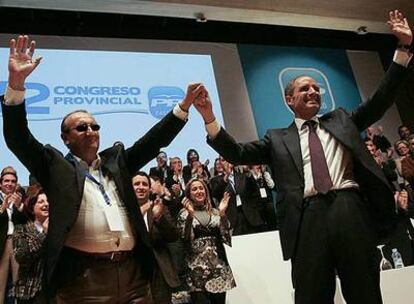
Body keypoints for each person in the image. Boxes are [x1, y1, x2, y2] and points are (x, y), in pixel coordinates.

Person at [193, 10, 413, 304]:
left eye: (315, 87)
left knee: (365, 294)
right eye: (304, 88)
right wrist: (209, 117)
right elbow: (237, 153)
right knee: (311, 296)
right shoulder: (277, 138)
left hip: (351, 211)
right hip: (306, 219)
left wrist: (402, 49)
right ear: (289, 99)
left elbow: (380, 100)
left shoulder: (342, 119)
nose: (313, 91)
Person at [1, 35, 205, 303]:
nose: (90, 131)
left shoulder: (116, 162)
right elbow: (18, 138)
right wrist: (16, 84)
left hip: (134, 275)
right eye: (81, 127)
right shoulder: (55, 166)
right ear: (66, 138)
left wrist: (184, 105)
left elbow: (153, 141)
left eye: (95, 126)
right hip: (83, 281)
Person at [178, 179, 235, 304]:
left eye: (201, 188)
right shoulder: (183, 214)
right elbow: (184, 238)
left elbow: (226, 236)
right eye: (194, 189)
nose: (199, 191)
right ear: (189, 194)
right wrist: (190, 215)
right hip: (196, 271)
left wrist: (222, 214)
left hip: (218, 269)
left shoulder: (215, 212)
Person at [132, 172, 180, 304]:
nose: (141, 187)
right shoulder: (124, 211)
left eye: (144, 184)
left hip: (158, 273)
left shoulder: (159, 207)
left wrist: (159, 217)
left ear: (149, 189)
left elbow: (173, 236)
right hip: (133, 274)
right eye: (136, 184)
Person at [13, 184, 49, 304]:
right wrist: (43, 234)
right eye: (41, 202)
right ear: (32, 207)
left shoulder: (58, 230)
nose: (46, 204)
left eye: (48, 201)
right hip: (29, 293)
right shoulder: (22, 228)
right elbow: (21, 257)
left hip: (52, 293)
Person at [0, 167, 25, 304]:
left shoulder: (21, 198)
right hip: (2, 245)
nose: (9, 184)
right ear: (1, 183)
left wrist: (20, 206)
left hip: (17, 243)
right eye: (6, 181)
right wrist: (2, 209)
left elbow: (27, 221)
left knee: (18, 283)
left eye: (13, 181)